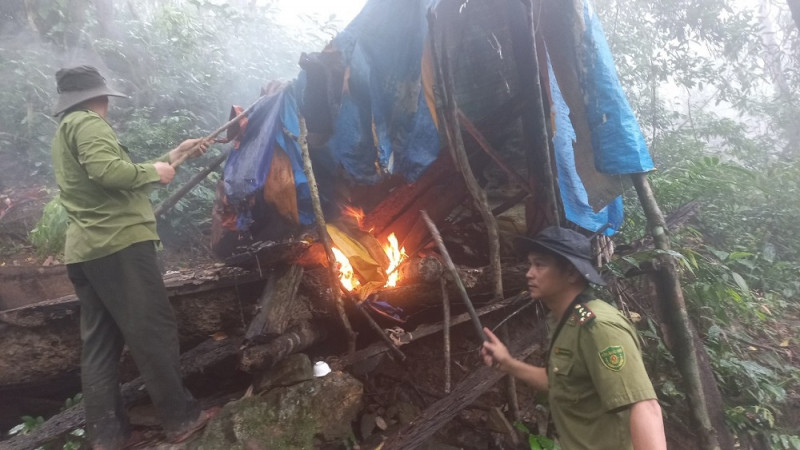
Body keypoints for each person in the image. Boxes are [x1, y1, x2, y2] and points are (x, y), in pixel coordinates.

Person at [51, 65, 216, 449]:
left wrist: (174, 157)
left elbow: (116, 181)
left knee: (100, 345)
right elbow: (109, 172)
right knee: (153, 332)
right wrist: (151, 172)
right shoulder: (88, 122)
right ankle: (181, 418)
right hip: (119, 246)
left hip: (88, 250)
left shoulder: (66, 129)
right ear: (99, 96)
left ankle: (107, 436)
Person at [481, 226, 666, 450]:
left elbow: (645, 407)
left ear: (571, 273)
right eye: (530, 264)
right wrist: (508, 363)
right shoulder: (565, 320)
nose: (529, 273)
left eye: (540, 264)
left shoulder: (599, 326)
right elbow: (559, 382)